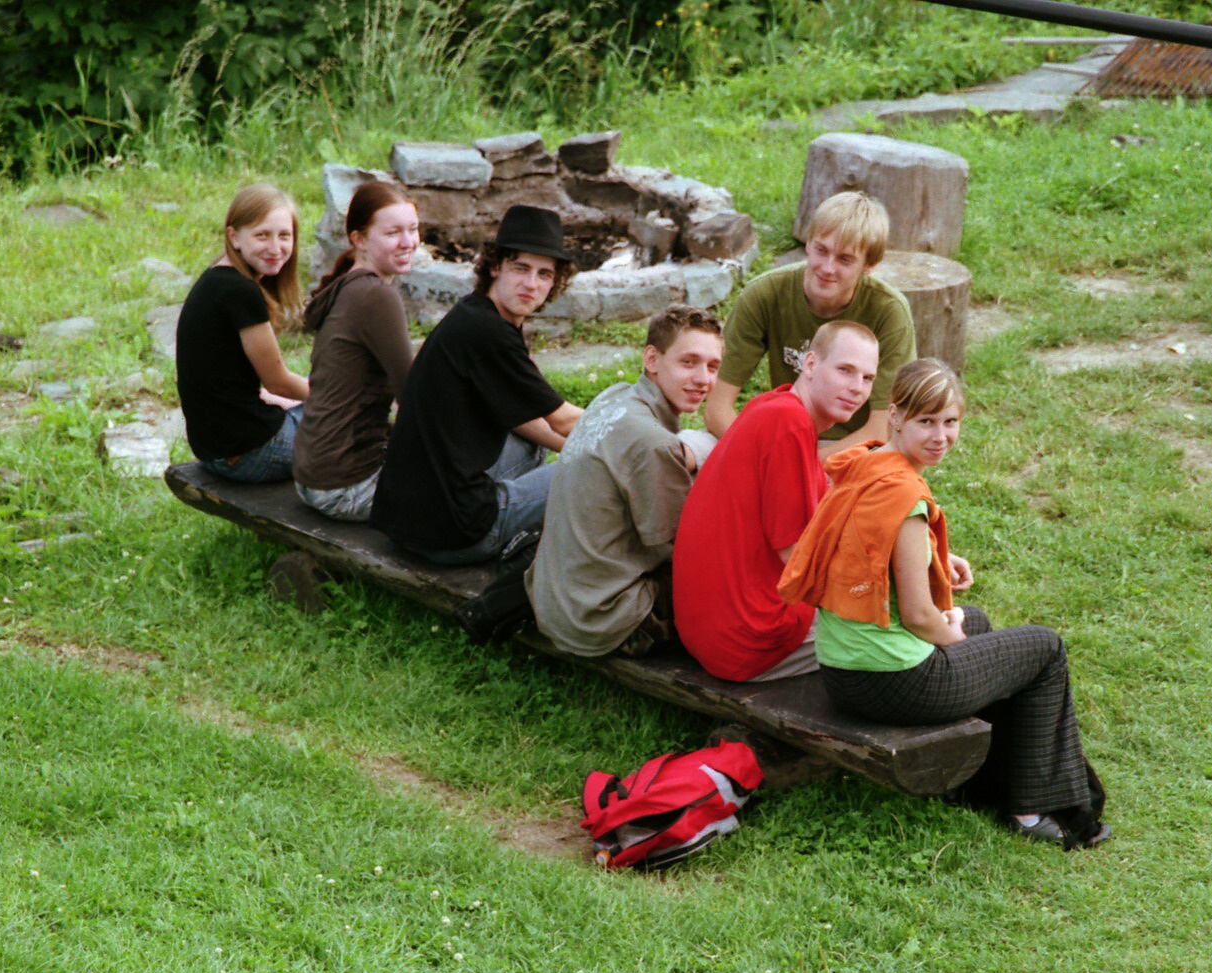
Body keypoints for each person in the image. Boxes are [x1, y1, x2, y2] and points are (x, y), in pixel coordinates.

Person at [779, 359, 1109, 849]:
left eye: (950, 421)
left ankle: (971, 781)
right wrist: (951, 638)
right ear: (895, 416)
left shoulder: (862, 465)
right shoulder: (904, 499)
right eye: (926, 421)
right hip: (894, 683)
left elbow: (866, 553)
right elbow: (917, 616)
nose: (940, 436)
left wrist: (935, 559)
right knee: (1044, 649)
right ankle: (1029, 811)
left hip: (843, 672)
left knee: (977, 621)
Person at [370, 205, 583, 565]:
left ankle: (513, 504)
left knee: (534, 446)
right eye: (521, 268)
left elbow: (527, 418)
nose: (532, 284)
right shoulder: (488, 332)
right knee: (587, 473)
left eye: (544, 274)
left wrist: (578, 448)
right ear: (495, 266)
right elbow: (564, 420)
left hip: (406, 519)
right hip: (456, 534)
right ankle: (512, 526)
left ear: (554, 282)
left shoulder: (475, 312)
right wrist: (634, 445)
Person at [672, 320, 879, 682]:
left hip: (711, 628)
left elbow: (832, 513)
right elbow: (798, 557)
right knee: (901, 623)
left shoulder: (777, 406)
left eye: (867, 378)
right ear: (810, 364)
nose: (856, 387)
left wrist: (914, 546)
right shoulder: (789, 423)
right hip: (747, 638)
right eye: (845, 370)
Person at [527, 305, 724, 658]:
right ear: (652, 359)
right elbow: (681, 550)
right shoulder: (654, 445)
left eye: (712, 367)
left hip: (552, 600)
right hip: (599, 619)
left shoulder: (613, 396)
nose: (703, 379)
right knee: (734, 580)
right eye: (688, 362)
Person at [699, 191, 915, 463]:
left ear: (869, 265)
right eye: (821, 250)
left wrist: (804, 467)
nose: (827, 268)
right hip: (778, 437)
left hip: (850, 448)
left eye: (845, 259)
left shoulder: (889, 311)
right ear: (808, 244)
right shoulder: (764, 294)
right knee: (691, 449)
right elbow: (717, 409)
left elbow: (883, 429)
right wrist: (764, 459)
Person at [292, 181, 418, 521]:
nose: (408, 242)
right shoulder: (376, 296)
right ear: (359, 239)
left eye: (412, 229)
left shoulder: (349, 285)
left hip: (313, 477)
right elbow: (413, 398)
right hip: (347, 487)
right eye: (393, 232)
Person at [176, 184, 311, 482]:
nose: (275, 248)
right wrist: (334, 399)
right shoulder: (241, 292)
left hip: (216, 449)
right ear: (234, 237)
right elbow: (279, 383)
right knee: (353, 422)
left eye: (284, 235)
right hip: (252, 452)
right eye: (262, 235)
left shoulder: (217, 277)